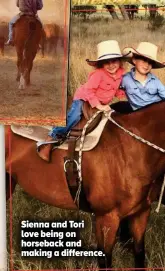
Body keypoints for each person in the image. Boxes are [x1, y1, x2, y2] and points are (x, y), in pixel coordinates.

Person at [37, 40, 128, 162]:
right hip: (84, 98)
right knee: (74, 117)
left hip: (100, 102)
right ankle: (50, 138)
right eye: (107, 62)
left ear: (120, 61)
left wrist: (123, 93)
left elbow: (114, 90)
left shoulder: (121, 75)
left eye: (114, 61)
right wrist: (99, 105)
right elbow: (89, 91)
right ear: (101, 64)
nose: (111, 65)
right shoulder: (98, 74)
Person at [122, 42, 165, 111]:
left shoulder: (155, 80)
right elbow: (110, 88)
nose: (147, 65)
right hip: (140, 115)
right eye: (144, 60)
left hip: (157, 112)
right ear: (134, 60)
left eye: (150, 62)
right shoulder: (125, 79)